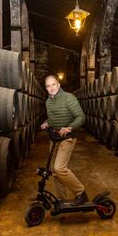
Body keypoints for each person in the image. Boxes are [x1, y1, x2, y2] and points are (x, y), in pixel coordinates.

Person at [40, 75, 87, 206]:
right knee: (54, 171)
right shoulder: (48, 101)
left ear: (59, 85)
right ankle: (62, 200)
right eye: (48, 86)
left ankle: (81, 193)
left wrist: (69, 127)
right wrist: (47, 122)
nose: (51, 88)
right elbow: (54, 117)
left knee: (59, 168)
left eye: (53, 84)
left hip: (67, 138)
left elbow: (81, 117)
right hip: (54, 138)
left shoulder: (69, 98)